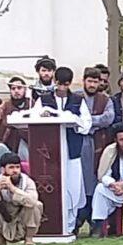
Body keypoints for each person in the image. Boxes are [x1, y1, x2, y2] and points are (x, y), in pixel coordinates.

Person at [35, 67, 93, 234]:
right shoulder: (44, 99)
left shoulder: (77, 100)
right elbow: (35, 116)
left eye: (66, 85)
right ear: (55, 82)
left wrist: (74, 121)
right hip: (50, 152)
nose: (62, 89)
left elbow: (86, 122)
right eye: (60, 85)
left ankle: (70, 225)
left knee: (72, 186)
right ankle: (51, 224)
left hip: (72, 150)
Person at [0, 153, 44, 245]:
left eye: (17, 167)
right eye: (11, 167)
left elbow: (32, 201)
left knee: (37, 205)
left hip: (22, 218)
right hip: (4, 219)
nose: (15, 170)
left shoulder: (27, 182)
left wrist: (13, 189)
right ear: (3, 169)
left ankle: (29, 239)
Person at [78, 66, 116, 231]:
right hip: (79, 142)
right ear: (84, 81)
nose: (92, 84)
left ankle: (96, 220)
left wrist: (87, 121)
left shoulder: (105, 99)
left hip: (98, 142)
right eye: (90, 81)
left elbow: (108, 118)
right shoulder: (76, 97)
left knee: (96, 176)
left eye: (96, 81)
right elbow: (72, 117)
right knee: (80, 179)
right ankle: (78, 219)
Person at [91, 123, 123, 237]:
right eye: (122, 140)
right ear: (116, 140)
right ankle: (99, 226)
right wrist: (113, 184)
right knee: (100, 189)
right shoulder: (110, 151)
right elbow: (103, 175)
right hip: (116, 190)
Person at [0, 76, 31, 161]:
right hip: (10, 146)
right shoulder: (4, 107)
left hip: (28, 146)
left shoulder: (32, 105)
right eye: (13, 88)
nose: (16, 91)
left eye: (19, 88)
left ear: (24, 89)